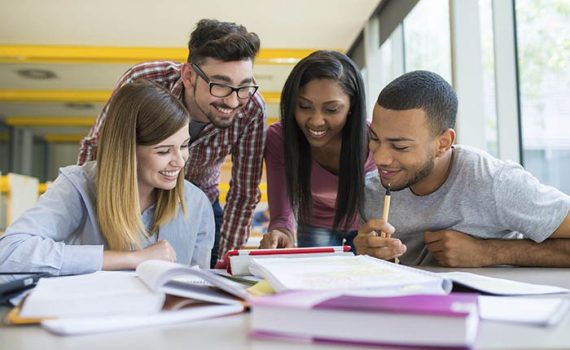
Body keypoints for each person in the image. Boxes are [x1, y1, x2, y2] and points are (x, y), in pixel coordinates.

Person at [77, 19, 266, 267]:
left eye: (243, 87)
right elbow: (98, 147)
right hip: (130, 200)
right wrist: (82, 207)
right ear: (188, 75)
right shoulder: (145, 80)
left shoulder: (251, 107)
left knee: (202, 279)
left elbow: (244, 192)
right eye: (220, 86)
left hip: (198, 204)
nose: (233, 102)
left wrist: (227, 263)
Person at [355, 70, 570, 267]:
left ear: (443, 143)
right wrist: (365, 258)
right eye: (374, 138)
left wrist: (490, 252)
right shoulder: (371, 192)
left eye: (400, 146)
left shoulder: (495, 182)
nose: (380, 158)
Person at [0, 80, 214, 275]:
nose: (180, 161)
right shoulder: (78, 186)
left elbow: (198, 288)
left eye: (184, 146)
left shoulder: (196, 202)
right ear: (127, 151)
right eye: (163, 151)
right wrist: (132, 259)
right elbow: (9, 252)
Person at [260, 50, 375, 250]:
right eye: (304, 106)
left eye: (331, 109)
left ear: (352, 105)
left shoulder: (374, 138)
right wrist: (281, 232)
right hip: (315, 224)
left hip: (368, 224)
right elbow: (281, 214)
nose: (316, 121)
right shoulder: (279, 138)